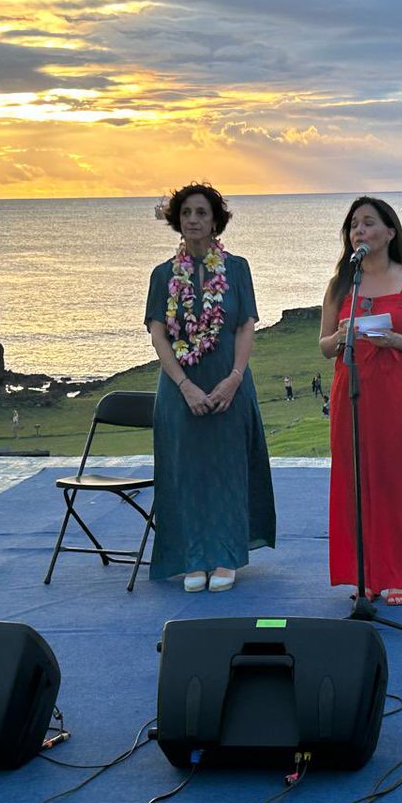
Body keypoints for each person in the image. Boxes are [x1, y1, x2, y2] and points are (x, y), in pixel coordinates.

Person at [145, 183, 276, 592]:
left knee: (227, 470)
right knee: (187, 473)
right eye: (186, 214)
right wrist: (184, 386)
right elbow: (158, 335)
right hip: (180, 389)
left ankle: (225, 555)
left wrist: (234, 378)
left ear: (215, 220)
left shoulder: (237, 269)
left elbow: (245, 326)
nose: (194, 220)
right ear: (177, 222)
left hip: (230, 384)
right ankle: (193, 556)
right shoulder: (163, 275)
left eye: (202, 213)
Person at [319, 197, 402, 605]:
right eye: (354, 224)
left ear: (390, 232)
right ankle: (362, 573)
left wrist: (394, 341)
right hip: (350, 393)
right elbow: (323, 345)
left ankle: (395, 575)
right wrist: (340, 338)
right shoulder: (340, 285)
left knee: (392, 481)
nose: (359, 231)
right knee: (352, 481)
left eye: (369, 223)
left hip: (394, 395)